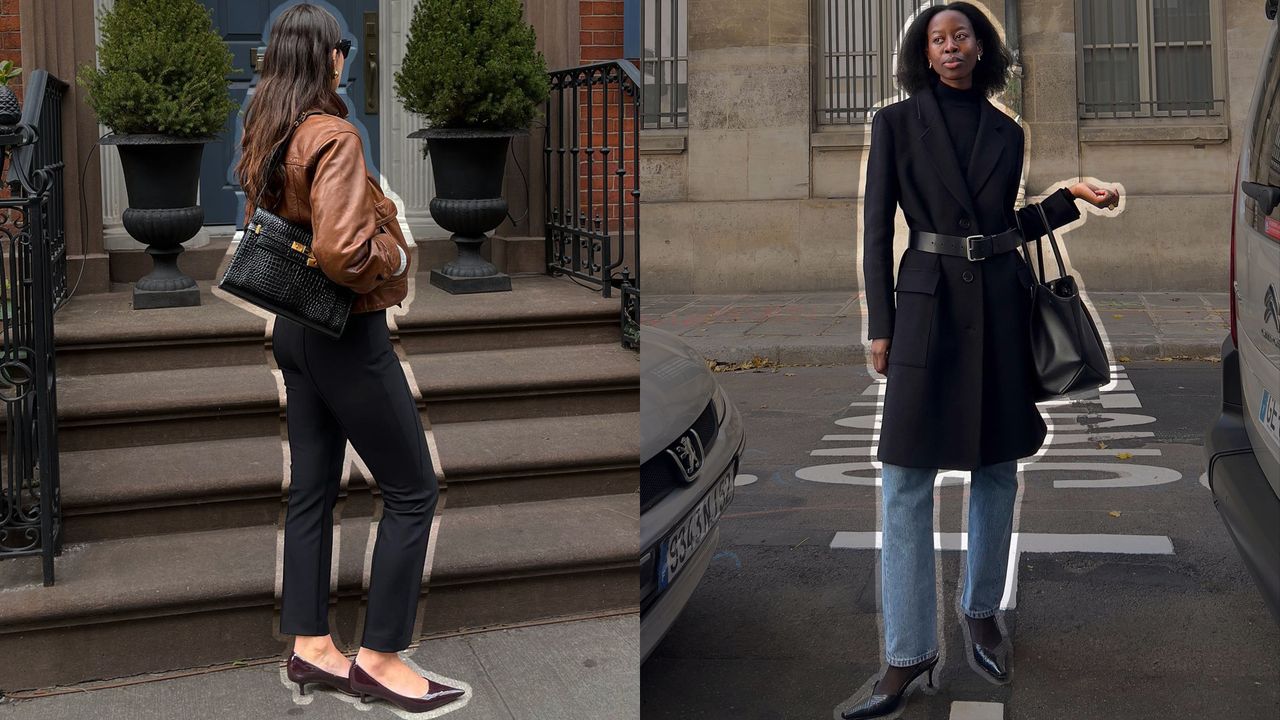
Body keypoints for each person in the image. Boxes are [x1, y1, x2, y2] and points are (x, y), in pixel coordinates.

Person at [844, 3, 1119, 718]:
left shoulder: (1007, 130)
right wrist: (881, 323)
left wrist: (1067, 199)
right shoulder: (897, 123)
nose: (949, 47)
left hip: (999, 307)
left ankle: (981, 612)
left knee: (997, 467)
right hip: (926, 309)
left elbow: (1003, 226)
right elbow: (879, 229)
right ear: (924, 54)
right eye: (936, 39)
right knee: (905, 477)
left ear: (980, 47)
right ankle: (906, 655)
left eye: (960, 35)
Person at [234, 4, 464, 713]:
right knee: (413, 490)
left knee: (312, 490)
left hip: (294, 329)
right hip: (347, 337)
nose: (348, 58)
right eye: (343, 48)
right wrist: (391, 254)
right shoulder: (332, 134)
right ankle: (382, 658)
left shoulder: (267, 128)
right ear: (327, 57)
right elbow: (341, 252)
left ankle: (310, 647)